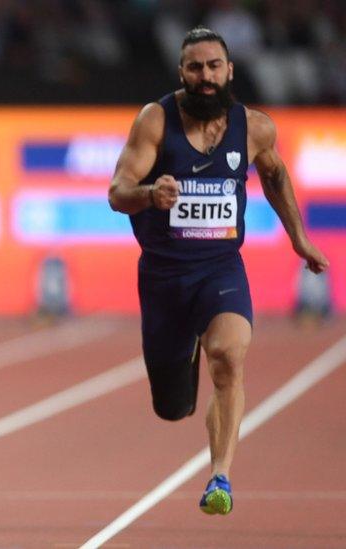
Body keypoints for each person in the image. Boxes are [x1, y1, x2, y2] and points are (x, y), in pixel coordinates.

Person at [108, 27, 328, 516]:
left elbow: (273, 174)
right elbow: (117, 192)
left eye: (213, 67)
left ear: (229, 70)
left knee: (228, 356)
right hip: (164, 279)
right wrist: (149, 194)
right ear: (181, 72)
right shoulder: (155, 121)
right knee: (172, 407)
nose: (205, 77)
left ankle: (219, 475)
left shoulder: (253, 128)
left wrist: (299, 238)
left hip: (220, 269)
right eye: (194, 68)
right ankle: (184, 351)